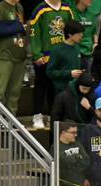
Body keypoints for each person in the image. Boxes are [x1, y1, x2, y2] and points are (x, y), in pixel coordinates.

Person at [29, 0, 74, 129]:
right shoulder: (40, 9)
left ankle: (51, 115)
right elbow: (34, 32)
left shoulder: (66, 8)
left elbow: (71, 30)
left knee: (55, 88)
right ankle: (37, 115)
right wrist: (37, 54)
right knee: (41, 86)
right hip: (45, 57)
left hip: (61, 56)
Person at [0, 0, 27, 116]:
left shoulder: (19, 7)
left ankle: (11, 117)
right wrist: (18, 27)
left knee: (14, 92)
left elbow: (21, 28)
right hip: (3, 55)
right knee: (0, 90)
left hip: (19, 54)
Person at [46, 20, 86, 95]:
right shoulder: (57, 50)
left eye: (82, 33)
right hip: (61, 90)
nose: (81, 35)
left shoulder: (77, 48)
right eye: (79, 33)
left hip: (75, 89)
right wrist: (69, 73)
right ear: (70, 35)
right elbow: (50, 72)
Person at [70, 0, 98, 72]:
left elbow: (94, 31)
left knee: (86, 79)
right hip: (74, 51)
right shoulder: (71, 13)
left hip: (88, 52)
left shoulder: (92, 14)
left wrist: (95, 43)